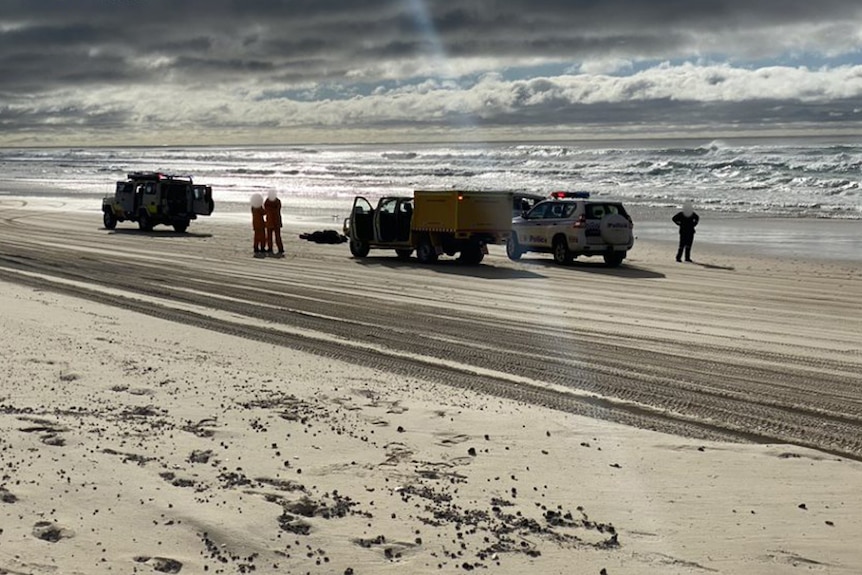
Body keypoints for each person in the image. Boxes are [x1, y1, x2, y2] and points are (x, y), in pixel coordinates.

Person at [264, 190, 284, 255]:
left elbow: (268, 209)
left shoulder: (274, 201)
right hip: (272, 221)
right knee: (271, 236)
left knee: (276, 236)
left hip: (274, 221)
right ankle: (273, 248)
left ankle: (279, 248)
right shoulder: (275, 201)